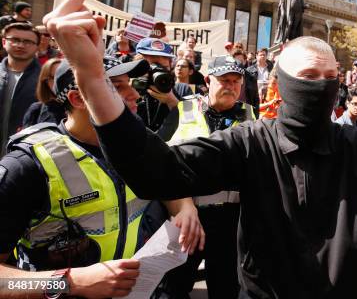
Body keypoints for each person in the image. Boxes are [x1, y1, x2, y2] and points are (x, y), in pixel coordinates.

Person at [43, 0, 357, 298]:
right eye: (309, 76)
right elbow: (157, 172)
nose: (323, 84)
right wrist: (91, 75)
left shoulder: (355, 144)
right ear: (281, 84)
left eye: (331, 77)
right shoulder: (249, 142)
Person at [0, 57, 204, 299]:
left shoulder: (141, 144)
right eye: (115, 87)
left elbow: (168, 182)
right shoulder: (25, 167)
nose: (135, 96)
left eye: (130, 85)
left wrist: (184, 206)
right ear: (77, 99)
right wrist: (70, 282)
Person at [165, 55, 256, 299]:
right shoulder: (182, 110)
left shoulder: (252, 117)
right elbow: (161, 164)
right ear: (207, 81)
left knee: (226, 289)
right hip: (186, 217)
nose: (231, 86)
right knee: (174, 286)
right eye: (224, 80)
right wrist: (181, 205)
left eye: (236, 82)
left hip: (231, 221)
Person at [134, 37, 193, 135]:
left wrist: (173, 102)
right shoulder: (129, 91)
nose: (158, 72)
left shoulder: (183, 89)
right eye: (153, 67)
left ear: (170, 66)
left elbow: (192, 120)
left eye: (163, 68)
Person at [1, 22, 41, 155]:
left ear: (37, 47)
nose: (20, 45)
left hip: (24, 155)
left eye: (28, 42)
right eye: (15, 40)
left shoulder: (46, 80)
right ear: (4, 42)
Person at [22, 57, 65, 127]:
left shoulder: (82, 108)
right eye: (53, 77)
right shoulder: (36, 110)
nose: (58, 81)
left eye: (62, 76)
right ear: (45, 82)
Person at [232, 48, 260, 116]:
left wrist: (256, 115)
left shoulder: (251, 77)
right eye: (235, 61)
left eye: (240, 61)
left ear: (245, 61)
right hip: (230, 109)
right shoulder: (228, 76)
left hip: (247, 110)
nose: (238, 63)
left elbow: (255, 98)